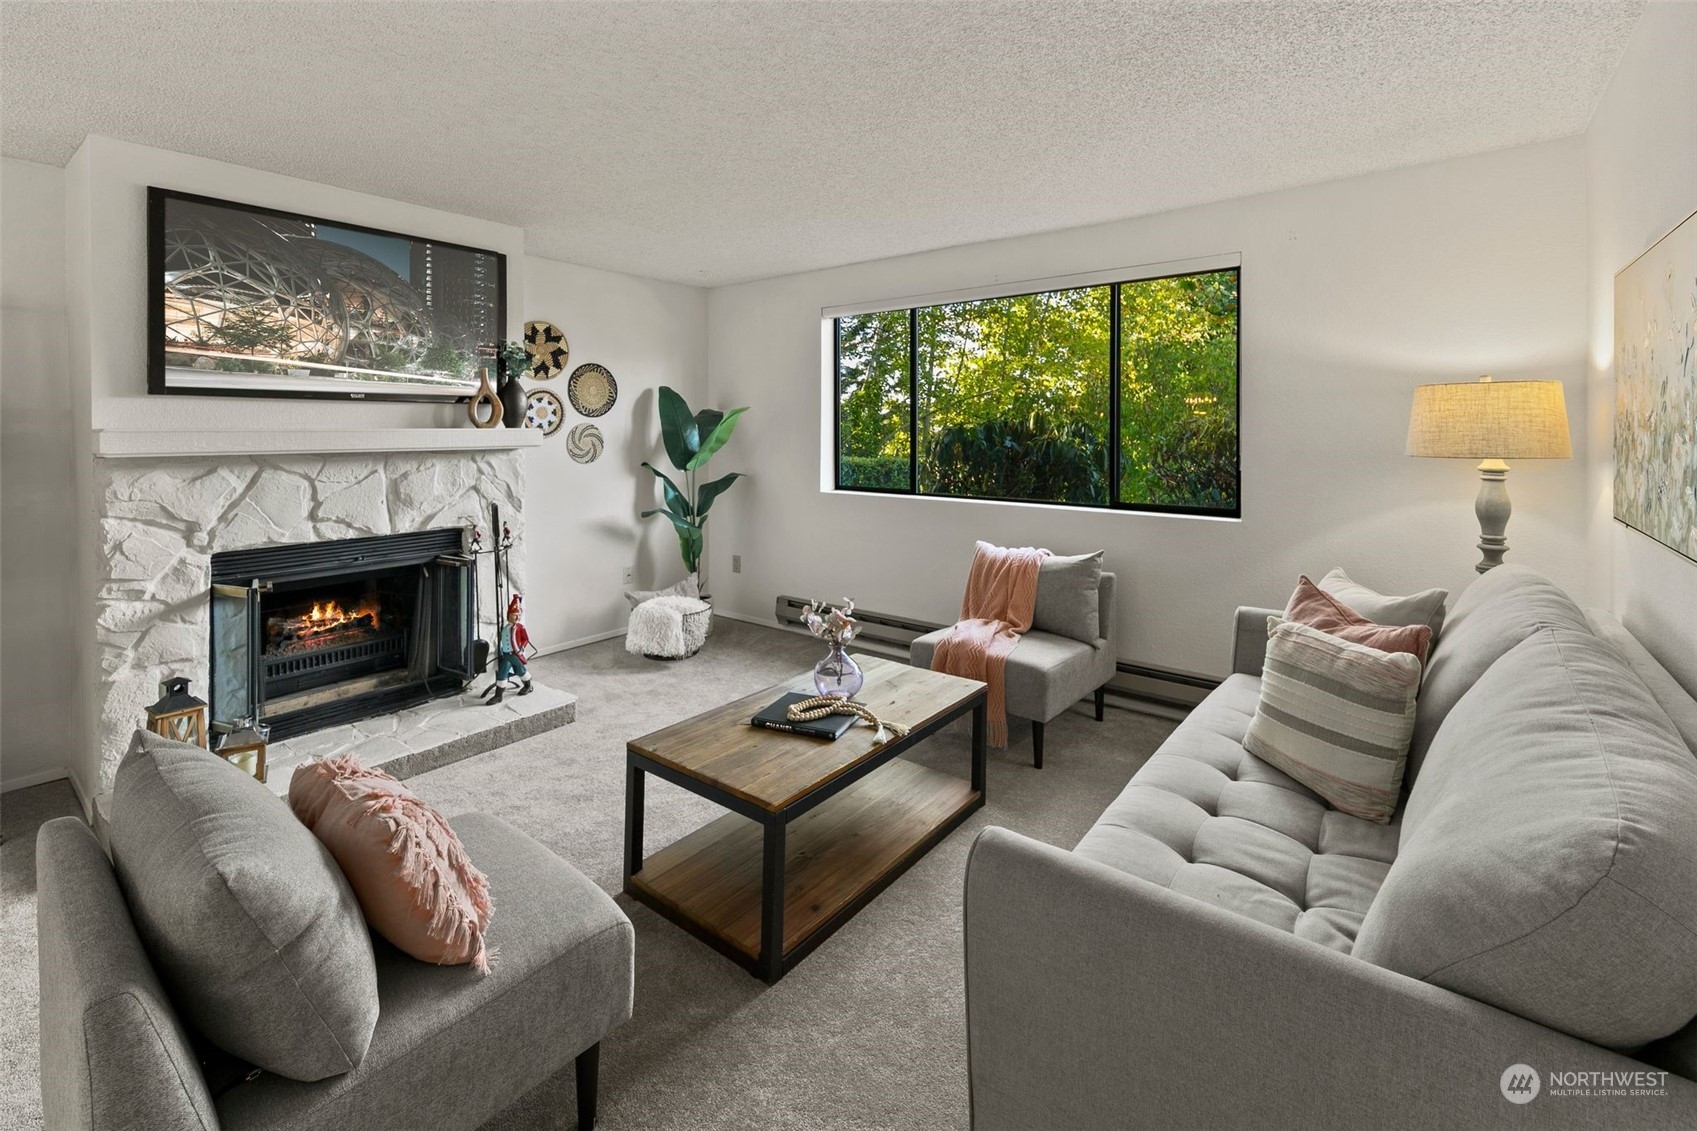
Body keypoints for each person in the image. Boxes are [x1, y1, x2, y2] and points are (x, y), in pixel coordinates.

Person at [483, 593, 536, 704]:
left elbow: (526, 639)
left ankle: (526, 686)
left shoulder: (520, 628)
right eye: (515, 615)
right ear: (509, 615)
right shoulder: (505, 628)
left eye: (519, 615)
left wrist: (522, 647)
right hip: (506, 655)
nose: (517, 617)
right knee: (510, 672)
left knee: (517, 671)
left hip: (515, 654)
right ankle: (500, 695)